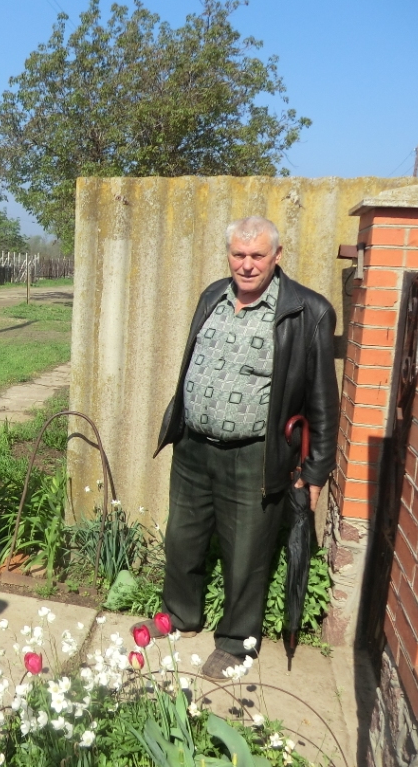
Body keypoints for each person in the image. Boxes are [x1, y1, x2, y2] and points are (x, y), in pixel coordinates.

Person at [150, 216, 338, 679]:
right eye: (239, 254)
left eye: (257, 255)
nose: (247, 264)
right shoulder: (213, 296)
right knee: (182, 539)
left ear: (277, 255)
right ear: (228, 255)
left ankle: (237, 641)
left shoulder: (308, 311)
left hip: (255, 454)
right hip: (194, 447)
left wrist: (315, 472)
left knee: (247, 553)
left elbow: (322, 400)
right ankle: (180, 615)